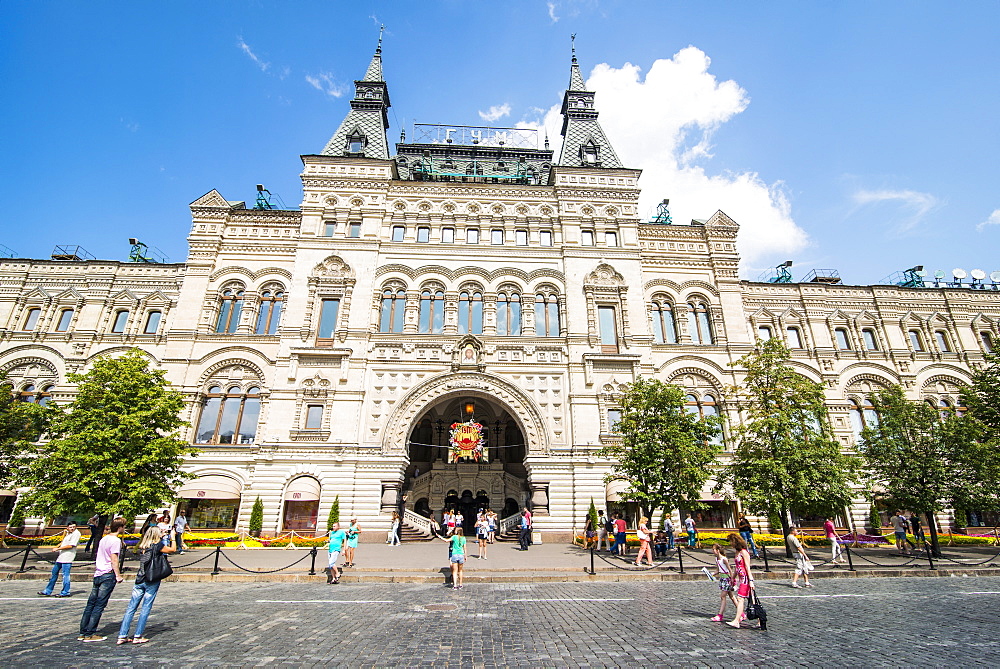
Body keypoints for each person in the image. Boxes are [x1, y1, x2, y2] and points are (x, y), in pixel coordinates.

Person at [115, 526, 176, 644]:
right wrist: (172, 537)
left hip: (139, 579)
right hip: (151, 579)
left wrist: (162, 535)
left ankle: (122, 635)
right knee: (145, 608)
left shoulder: (143, 546)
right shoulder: (157, 546)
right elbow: (172, 550)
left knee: (131, 608)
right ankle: (138, 635)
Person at [79, 518, 126, 642]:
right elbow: (114, 559)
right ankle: (90, 633)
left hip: (98, 573)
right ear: (120, 527)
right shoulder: (115, 541)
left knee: (91, 604)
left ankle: (83, 632)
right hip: (107, 574)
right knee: (99, 605)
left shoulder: (104, 538)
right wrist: (118, 575)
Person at [38, 522, 81, 598]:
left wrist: (58, 548)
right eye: (71, 527)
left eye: (74, 527)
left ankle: (65, 592)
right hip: (61, 557)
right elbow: (63, 543)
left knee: (65, 575)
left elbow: (71, 545)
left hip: (68, 557)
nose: (72, 528)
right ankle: (48, 590)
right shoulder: (68, 533)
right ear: (67, 527)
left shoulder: (76, 534)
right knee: (54, 573)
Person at [726, 532, 758, 628]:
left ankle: (736, 620)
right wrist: (733, 577)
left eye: (731, 542)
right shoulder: (737, 552)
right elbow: (737, 567)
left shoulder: (744, 552)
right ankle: (760, 618)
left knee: (740, 598)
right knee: (751, 599)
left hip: (745, 579)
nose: (730, 544)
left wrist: (751, 581)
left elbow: (747, 567)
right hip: (741, 578)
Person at [710, 543, 738, 622]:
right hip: (722, 579)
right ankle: (741, 613)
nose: (713, 551)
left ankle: (720, 615)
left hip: (727, 579)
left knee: (723, 596)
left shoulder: (724, 559)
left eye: (714, 549)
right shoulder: (717, 559)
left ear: (718, 551)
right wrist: (712, 574)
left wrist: (732, 579)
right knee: (732, 597)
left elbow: (729, 570)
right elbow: (718, 570)